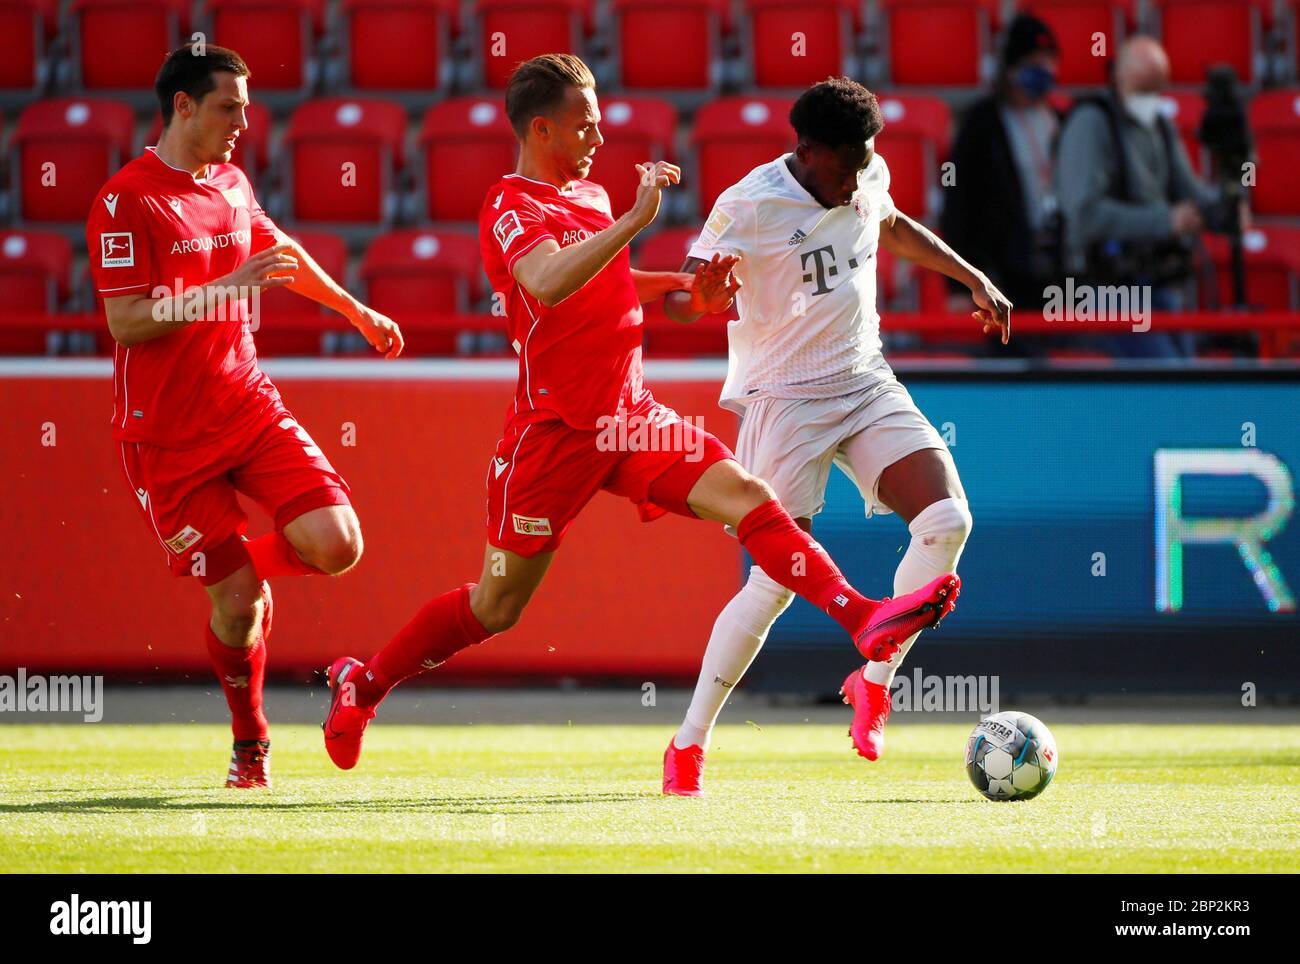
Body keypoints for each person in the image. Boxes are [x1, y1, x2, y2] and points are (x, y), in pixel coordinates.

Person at [320, 55, 961, 774]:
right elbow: (548, 281)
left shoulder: (589, 196)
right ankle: (365, 683)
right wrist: (634, 219)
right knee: (496, 606)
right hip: (552, 436)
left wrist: (695, 291)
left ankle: (862, 616)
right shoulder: (510, 205)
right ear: (541, 129)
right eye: (584, 126)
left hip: (630, 419)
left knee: (749, 498)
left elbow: (610, 285)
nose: (599, 137)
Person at [662, 77, 1012, 795]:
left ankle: (874, 683)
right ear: (809, 151)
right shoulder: (750, 203)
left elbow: (888, 223)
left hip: (862, 379)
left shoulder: (866, 172)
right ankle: (688, 742)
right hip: (783, 398)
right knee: (772, 586)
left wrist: (971, 275)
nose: (860, 174)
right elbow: (681, 295)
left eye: (867, 157)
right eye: (848, 162)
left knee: (948, 521)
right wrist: (701, 297)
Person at [86, 43, 404, 788]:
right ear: (184, 106)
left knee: (338, 543)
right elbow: (128, 322)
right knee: (237, 613)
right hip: (165, 435)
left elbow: (279, 249)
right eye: (229, 106)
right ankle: (251, 740)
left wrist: (354, 309)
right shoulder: (125, 200)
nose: (244, 121)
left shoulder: (229, 181)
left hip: (246, 403)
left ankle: (228, 568)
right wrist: (226, 286)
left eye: (248, 106)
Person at [1055, 35, 1220, 358]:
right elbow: (1084, 216)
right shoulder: (1090, 122)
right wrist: (1165, 220)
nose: (1150, 99)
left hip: (1157, 282)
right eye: (1144, 89)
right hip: (1102, 292)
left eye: (1156, 89)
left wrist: (1223, 205)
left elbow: (1190, 189)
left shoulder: (1159, 123)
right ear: (1118, 76)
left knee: (1193, 379)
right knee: (1169, 383)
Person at [941, 14, 1062, 324]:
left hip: (1060, 268)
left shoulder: (1062, 119)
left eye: (1049, 60)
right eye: (1034, 61)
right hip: (1002, 271)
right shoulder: (980, 124)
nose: (1044, 69)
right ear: (1010, 68)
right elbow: (957, 204)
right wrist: (958, 284)